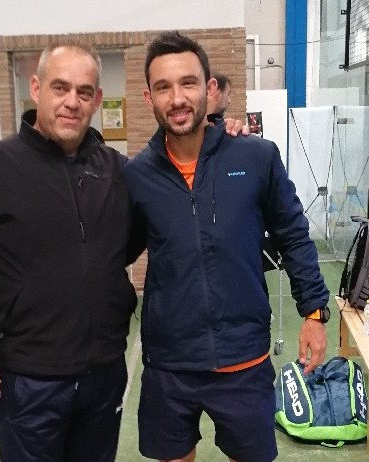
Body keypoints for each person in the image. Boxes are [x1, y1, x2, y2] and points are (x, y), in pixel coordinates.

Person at [124, 32, 330, 462]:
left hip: (243, 359)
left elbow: (293, 234)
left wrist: (313, 312)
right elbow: (113, 253)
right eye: (163, 87)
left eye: (188, 83)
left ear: (210, 88)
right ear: (148, 97)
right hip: (169, 362)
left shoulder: (255, 157)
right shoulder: (137, 176)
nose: (177, 98)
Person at [0, 44, 137, 462]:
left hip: (104, 371)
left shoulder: (116, 170)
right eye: (60, 88)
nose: (72, 102)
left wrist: (223, 133)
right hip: (30, 378)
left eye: (84, 92)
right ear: (36, 89)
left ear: (97, 100)